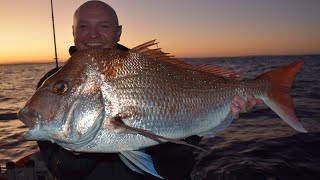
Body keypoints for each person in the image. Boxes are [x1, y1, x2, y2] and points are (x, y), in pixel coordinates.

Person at [36, 1, 263, 179]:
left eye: (103, 26)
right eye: (83, 26)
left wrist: (213, 116)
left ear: (118, 32)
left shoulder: (150, 67)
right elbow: (63, 172)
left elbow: (179, 156)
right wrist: (77, 149)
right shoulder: (52, 82)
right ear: (73, 31)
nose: (92, 34)